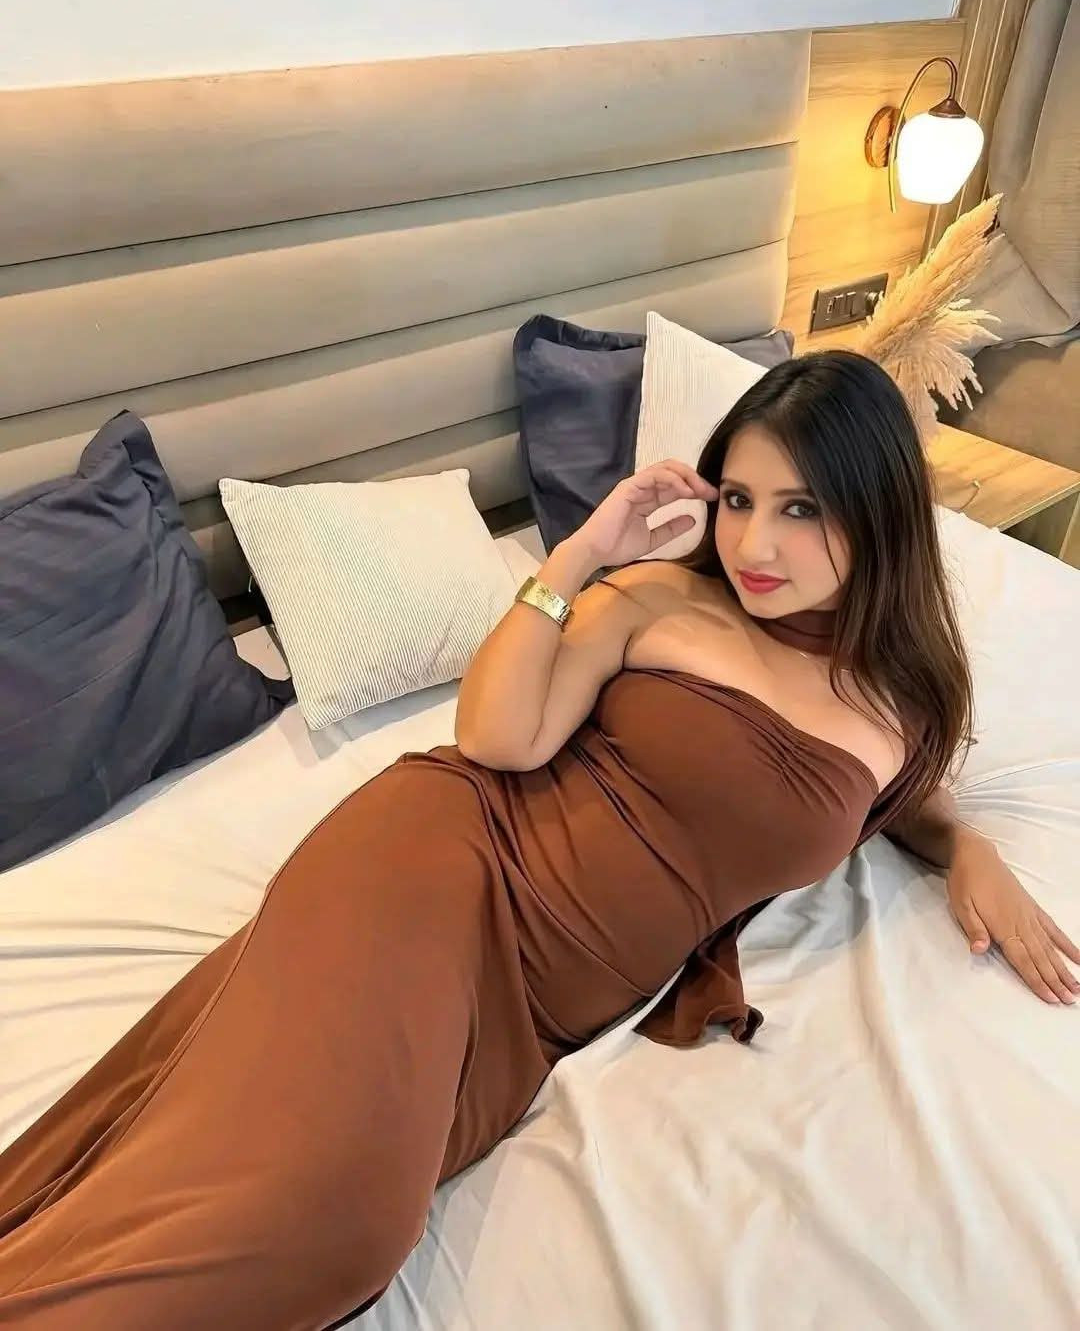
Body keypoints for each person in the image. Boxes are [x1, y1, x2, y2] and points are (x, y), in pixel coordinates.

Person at [1, 351, 1075, 1330]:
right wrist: (578, 557)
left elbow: (897, 797)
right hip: (445, 866)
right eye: (739, 500)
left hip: (531, 1013)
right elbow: (497, 739)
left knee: (283, 1195)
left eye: (803, 509)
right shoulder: (660, 600)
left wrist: (967, 847)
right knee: (337, 1222)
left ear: (878, 512)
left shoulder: (903, 705)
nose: (754, 545)